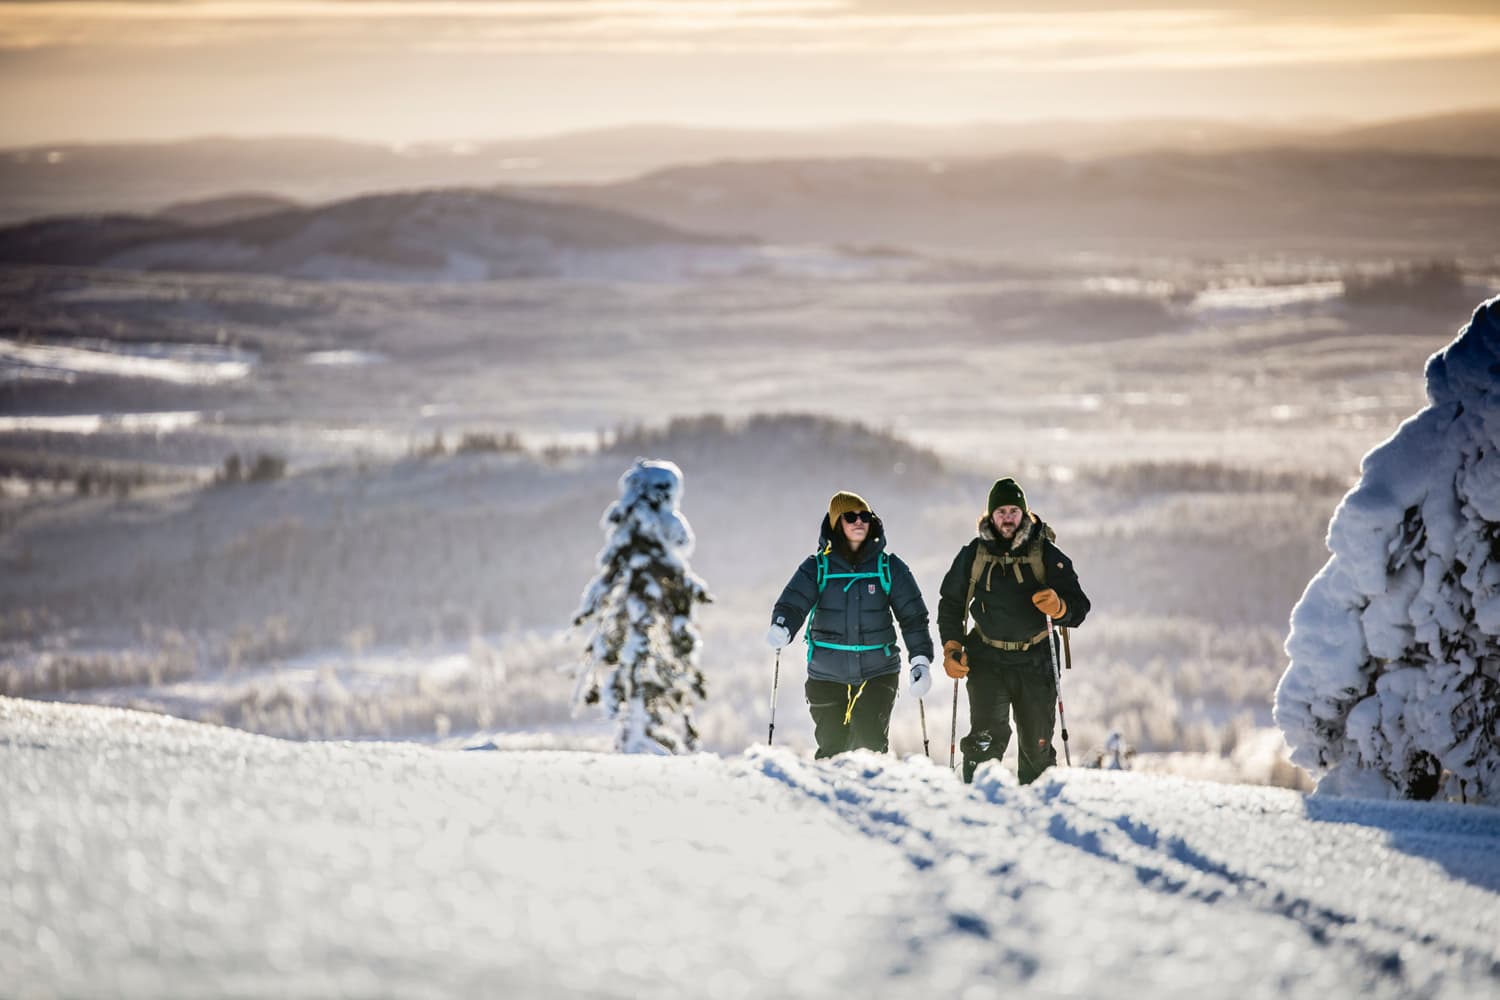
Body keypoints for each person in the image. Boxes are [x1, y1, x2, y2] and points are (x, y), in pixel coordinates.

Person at [938, 477, 1090, 784]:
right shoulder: (974, 554)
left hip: (1037, 660)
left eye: (1013, 511)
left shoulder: (1045, 553)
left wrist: (1060, 607)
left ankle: (1036, 820)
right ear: (990, 516)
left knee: (1038, 751)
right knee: (984, 744)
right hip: (986, 659)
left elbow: (1080, 606)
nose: (1007, 517)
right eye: (1001, 511)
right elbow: (951, 602)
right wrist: (952, 647)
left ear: (1024, 514)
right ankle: (972, 814)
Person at [767, 491, 935, 758]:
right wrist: (782, 626)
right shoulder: (817, 567)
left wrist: (921, 660)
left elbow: (913, 617)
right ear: (836, 523)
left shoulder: (888, 567)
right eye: (850, 517)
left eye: (865, 516)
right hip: (826, 675)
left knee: (869, 744)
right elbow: (791, 604)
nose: (859, 522)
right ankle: (827, 798)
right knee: (832, 748)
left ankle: (872, 796)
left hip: (878, 672)